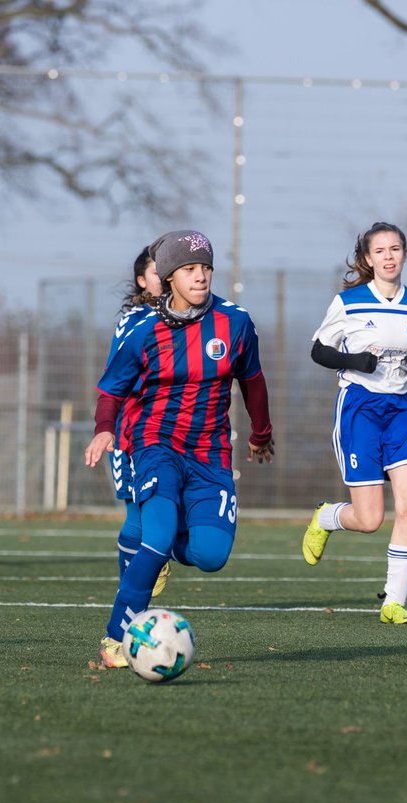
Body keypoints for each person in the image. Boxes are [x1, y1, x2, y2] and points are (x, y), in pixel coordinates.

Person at [84, 230, 274, 668]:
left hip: (210, 452)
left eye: (206, 268)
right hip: (156, 444)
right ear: (168, 277)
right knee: (158, 533)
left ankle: (166, 547)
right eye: (190, 269)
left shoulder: (236, 322)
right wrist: (104, 430)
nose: (201, 276)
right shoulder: (142, 330)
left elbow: (253, 380)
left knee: (211, 556)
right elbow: (111, 390)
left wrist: (260, 433)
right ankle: (117, 637)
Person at [300, 222, 407, 625]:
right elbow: (318, 351)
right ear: (367, 259)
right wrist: (354, 361)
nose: (389, 256)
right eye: (380, 251)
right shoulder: (349, 302)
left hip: (399, 409)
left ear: (404, 254)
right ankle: (326, 516)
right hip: (359, 408)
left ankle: (393, 603)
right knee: (370, 520)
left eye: (395, 249)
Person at [106, 247, 170, 597]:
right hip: (138, 430)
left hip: (184, 433)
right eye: (158, 272)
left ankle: (161, 553)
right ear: (143, 280)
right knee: (137, 513)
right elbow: (117, 379)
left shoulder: (198, 318)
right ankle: (129, 595)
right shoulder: (134, 321)